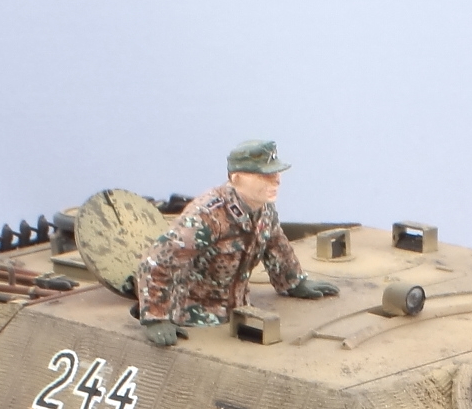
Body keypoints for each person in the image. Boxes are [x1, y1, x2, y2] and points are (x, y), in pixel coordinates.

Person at [133, 141, 339, 345]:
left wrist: (293, 281)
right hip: (194, 316)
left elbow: (275, 244)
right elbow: (157, 261)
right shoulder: (207, 216)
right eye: (264, 176)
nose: (276, 180)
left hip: (238, 311)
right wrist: (156, 317)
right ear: (237, 178)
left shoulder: (263, 209)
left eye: (277, 173)